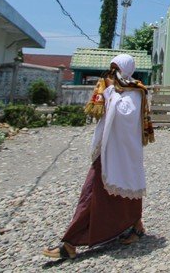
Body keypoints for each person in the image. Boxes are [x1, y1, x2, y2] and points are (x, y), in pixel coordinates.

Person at [43, 54, 155, 259]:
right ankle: (133, 226)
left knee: (98, 191)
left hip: (123, 151)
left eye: (116, 68)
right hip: (107, 149)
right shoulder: (118, 88)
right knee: (111, 191)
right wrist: (109, 92)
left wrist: (110, 92)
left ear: (126, 69)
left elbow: (125, 115)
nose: (113, 73)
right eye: (112, 69)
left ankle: (70, 243)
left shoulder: (136, 91)